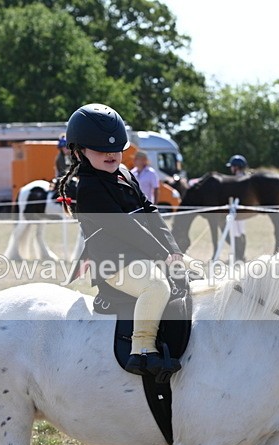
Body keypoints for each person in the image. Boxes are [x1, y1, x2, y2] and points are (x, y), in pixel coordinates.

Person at [56, 103, 191, 377]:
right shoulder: (89, 188)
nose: (111, 154)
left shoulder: (126, 175)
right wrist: (160, 254)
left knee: (194, 275)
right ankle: (141, 351)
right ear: (80, 151)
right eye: (101, 149)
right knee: (156, 287)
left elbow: (150, 212)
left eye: (116, 148)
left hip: (141, 255)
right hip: (114, 263)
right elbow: (126, 227)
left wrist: (174, 250)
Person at [226, 154, 248, 261]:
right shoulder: (244, 177)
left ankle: (239, 255)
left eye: (232, 166)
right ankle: (240, 255)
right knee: (241, 232)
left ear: (236, 167)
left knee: (236, 233)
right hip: (241, 209)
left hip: (237, 209)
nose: (231, 169)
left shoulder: (238, 179)